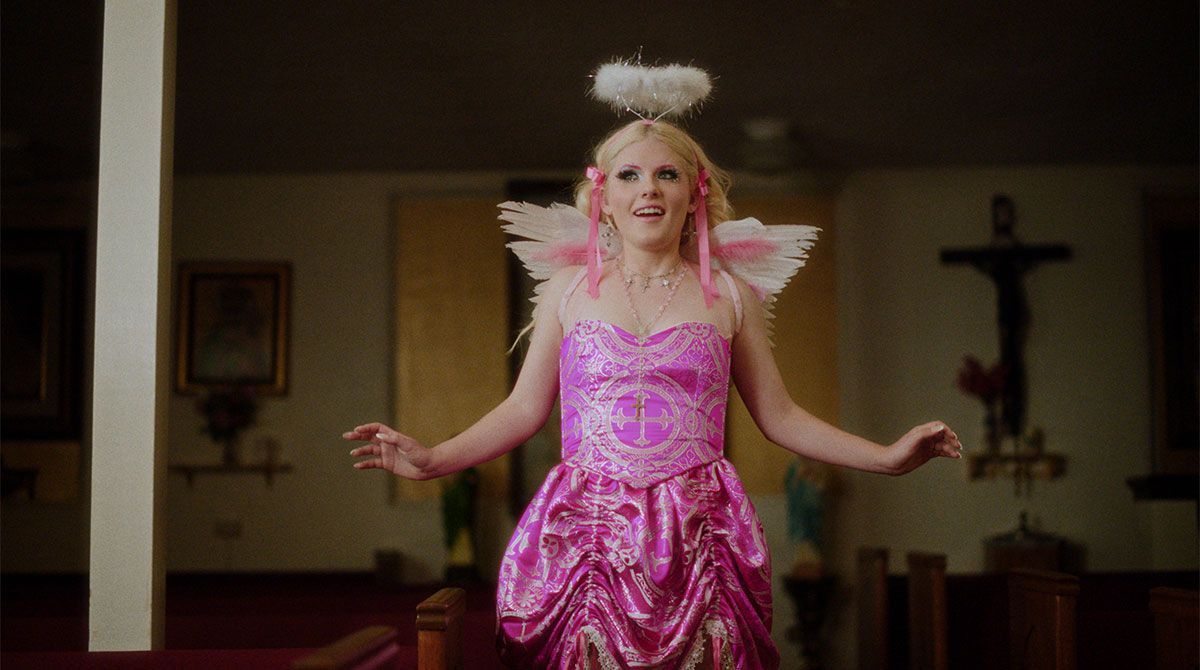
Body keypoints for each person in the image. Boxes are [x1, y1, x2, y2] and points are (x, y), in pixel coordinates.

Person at [344, 118, 962, 669]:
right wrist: (430, 460)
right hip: (585, 527)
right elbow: (522, 411)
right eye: (630, 175)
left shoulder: (730, 294)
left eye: (667, 174)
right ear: (602, 197)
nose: (648, 188)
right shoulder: (567, 290)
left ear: (693, 195)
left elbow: (781, 416)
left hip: (702, 533)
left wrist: (884, 457)